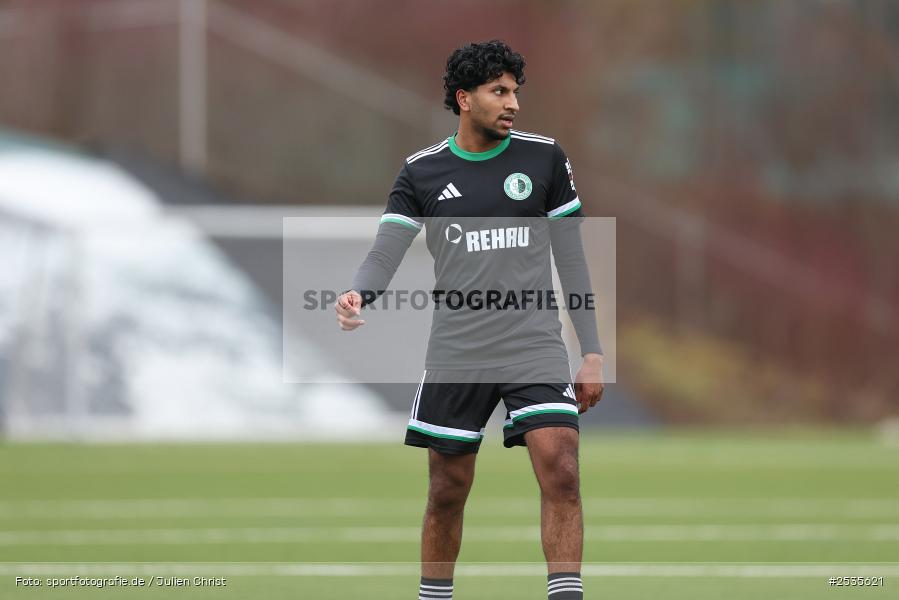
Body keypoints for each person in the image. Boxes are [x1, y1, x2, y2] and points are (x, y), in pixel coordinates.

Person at [335, 40, 603, 600]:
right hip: (458, 351)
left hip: (534, 343)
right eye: (498, 92)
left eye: (515, 92)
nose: (513, 104)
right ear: (464, 98)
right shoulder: (422, 173)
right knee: (447, 489)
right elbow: (386, 252)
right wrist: (360, 294)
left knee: (562, 468)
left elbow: (573, 259)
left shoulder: (545, 159)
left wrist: (593, 350)